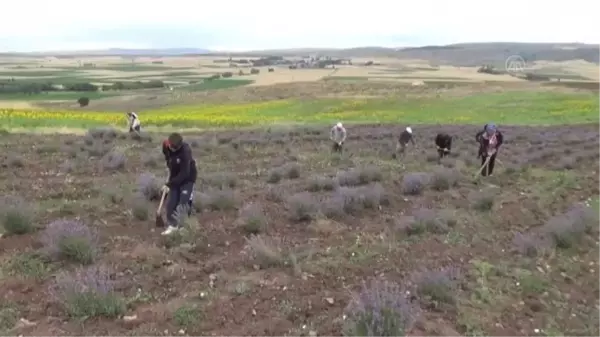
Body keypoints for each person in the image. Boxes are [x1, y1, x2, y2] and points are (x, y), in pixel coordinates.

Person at [160, 132, 198, 235]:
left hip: (188, 177)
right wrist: (169, 162)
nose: (174, 150)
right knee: (171, 204)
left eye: (176, 148)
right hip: (174, 174)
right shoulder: (166, 145)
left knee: (183, 203)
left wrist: (169, 185)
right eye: (172, 148)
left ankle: (184, 226)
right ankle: (173, 226)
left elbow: (184, 173)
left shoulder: (185, 152)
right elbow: (166, 154)